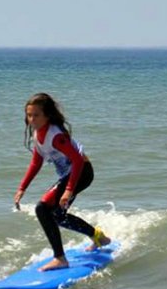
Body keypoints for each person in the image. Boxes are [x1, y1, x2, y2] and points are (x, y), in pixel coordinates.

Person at [14, 93, 111, 271]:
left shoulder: (56, 136)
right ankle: (98, 237)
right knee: (58, 216)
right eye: (29, 115)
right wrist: (22, 188)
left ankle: (60, 259)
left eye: (36, 115)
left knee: (42, 208)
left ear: (47, 115)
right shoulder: (38, 134)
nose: (32, 119)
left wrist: (68, 190)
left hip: (81, 172)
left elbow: (78, 161)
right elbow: (36, 161)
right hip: (72, 174)